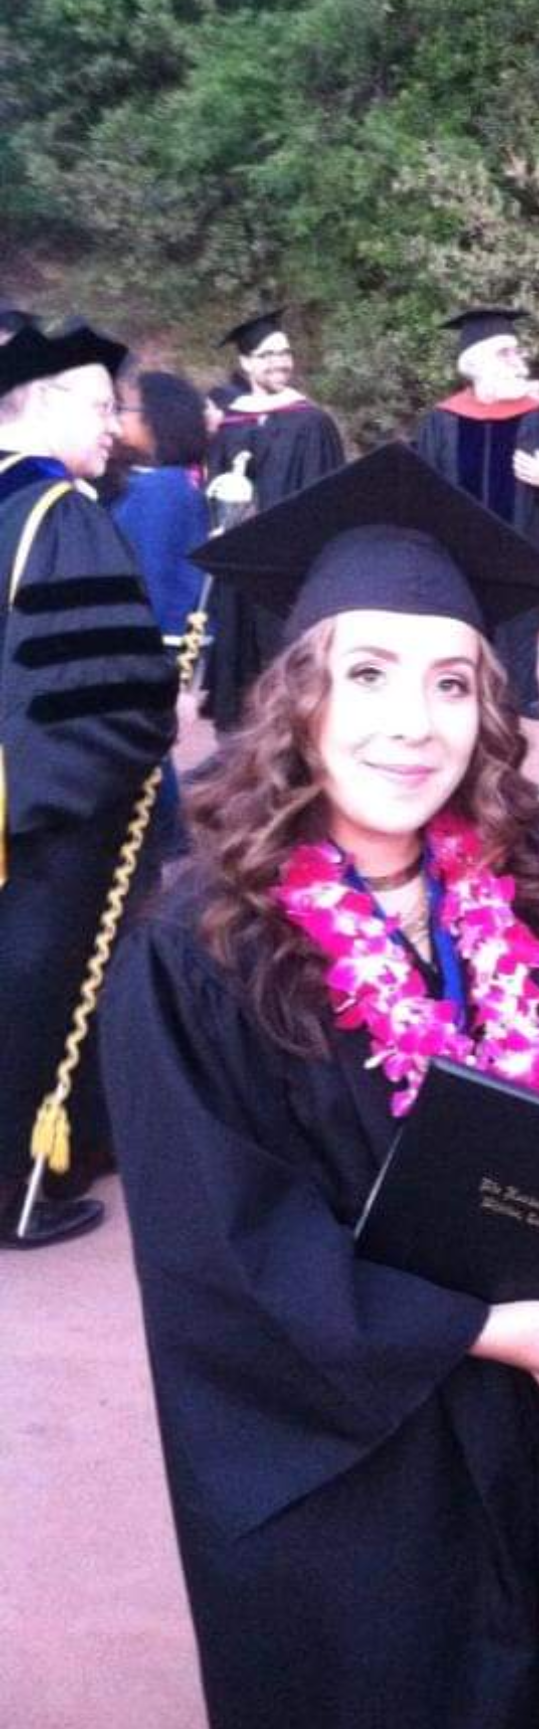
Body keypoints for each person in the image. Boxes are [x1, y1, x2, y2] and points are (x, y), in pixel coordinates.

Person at [99, 444, 539, 1728]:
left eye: (450, 683)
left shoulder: (515, 891)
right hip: (344, 1463)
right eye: (366, 675)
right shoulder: (203, 941)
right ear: (298, 696)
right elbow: (219, 1245)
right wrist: (477, 1329)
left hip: (528, 1424)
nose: (410, 722)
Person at [0, 322, 177, 1246]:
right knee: (33, 989)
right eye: (103, 407)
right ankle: (17, 1187)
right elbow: (99, 688)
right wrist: (155, 701)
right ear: (43, 404)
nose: (116, 428)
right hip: (42, 822)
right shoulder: (54, 511)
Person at [415, 306, 539, 721]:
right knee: (461, 620)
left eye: (517, 352)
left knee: (520, 619)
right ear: (477, 364)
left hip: (524, 542)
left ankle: (523, 694)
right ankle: (460, 693)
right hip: (461, 550)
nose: (519, 360)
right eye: (506, 353)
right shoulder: (441, 422)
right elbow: (419, 487)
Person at [204, 308, 345, 729]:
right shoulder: (231, 425)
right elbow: (213, 489)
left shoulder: (312, 422)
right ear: (245, 363)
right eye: (267, 355)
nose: (280, 362)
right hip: (238, 564)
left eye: (284, 352)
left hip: (288, 566)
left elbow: (327, 499)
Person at [109, 370, 213, 859]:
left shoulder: (161, 493)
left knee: (145, 765)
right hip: (151, 649)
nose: (116, 422)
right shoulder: (160, 485)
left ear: (155, 422)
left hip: (147, 647)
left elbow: (155, 584)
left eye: (124, 412)